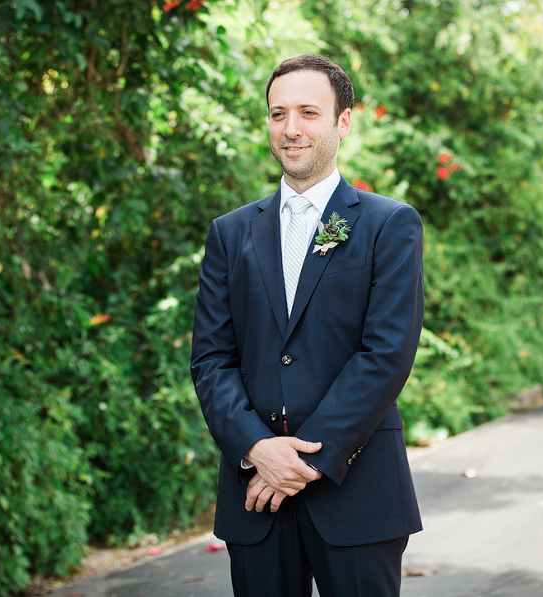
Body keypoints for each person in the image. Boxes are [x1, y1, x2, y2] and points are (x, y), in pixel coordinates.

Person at [190, 54, 424, 597]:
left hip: (356, 488)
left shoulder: (389, 224)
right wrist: (256, 449)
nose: (291, 129)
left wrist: (302, 457)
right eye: (278, 114)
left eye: (308, 113)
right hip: (256, 493)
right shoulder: (230, 234)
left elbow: (386, 353)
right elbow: (211, 359)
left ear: (343, 122)